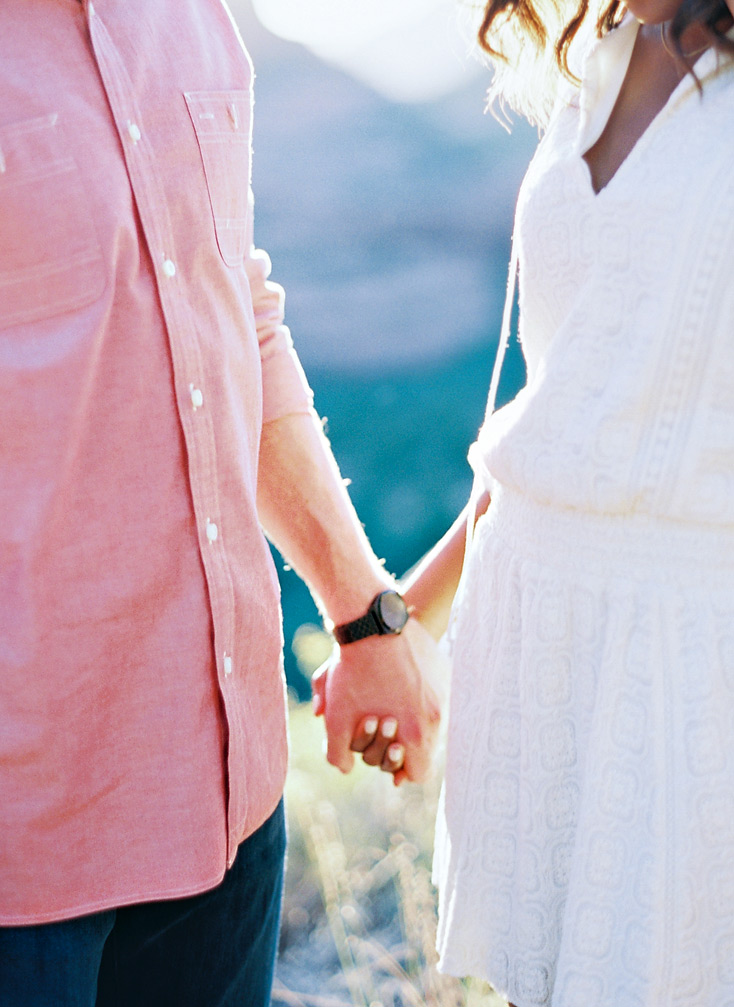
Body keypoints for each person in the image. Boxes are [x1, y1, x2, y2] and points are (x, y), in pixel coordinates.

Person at [0, 2, 442, 1004]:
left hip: (226, 798)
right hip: (14, 841)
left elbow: (232, 307)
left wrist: (365, 616)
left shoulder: (190, 14)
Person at [314, 0, 734, 1003]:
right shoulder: (603, 58)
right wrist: (397, 622)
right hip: (540, 634)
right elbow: (554, 418)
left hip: (686, 654)